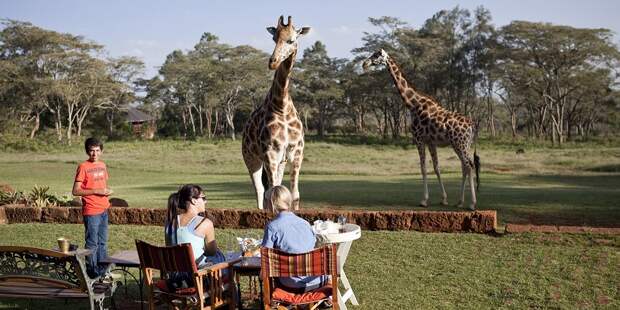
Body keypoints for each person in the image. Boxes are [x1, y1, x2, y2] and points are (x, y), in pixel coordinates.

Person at [261, 185, 327, 292]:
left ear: (272, 204)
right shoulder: (305, 224)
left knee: (272, 273)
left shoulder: (272, 227)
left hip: (292, 285)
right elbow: (312, 247)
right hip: (318, 281)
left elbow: (265, 260)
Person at [72, 137, 113, 279]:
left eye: (97, 150)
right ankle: (92, 273)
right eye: (91, 151)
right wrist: (96, 191)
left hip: (103, 209)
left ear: (101, 151)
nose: (94, 154)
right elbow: (76, 191)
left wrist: (106, 191)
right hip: (91, 210)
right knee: (92, 243)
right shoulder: (83, 167)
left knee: (103, 242)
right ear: (87, 152)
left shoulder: (102, 165)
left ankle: (102, 271)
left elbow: (101, 186)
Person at [164, 184, 225, 268]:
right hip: (195, 276)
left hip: (173, 275)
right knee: (218, 255)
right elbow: (212, 252)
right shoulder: (205, 223)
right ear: (194, 200)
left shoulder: (170, 222)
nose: (205, 201)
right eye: (203, 198)